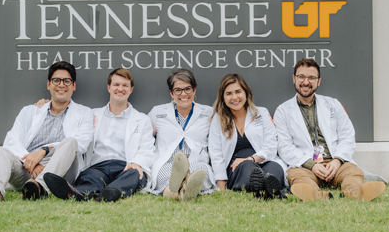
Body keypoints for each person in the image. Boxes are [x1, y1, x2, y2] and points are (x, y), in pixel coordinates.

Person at [0, 61, 94, 202]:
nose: (61, 85)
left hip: (62, 173)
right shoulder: (29, 111)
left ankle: (41, 187)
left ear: (74, 86)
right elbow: (11, 140)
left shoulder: (84, 113)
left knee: (71, 142)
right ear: (48, 84)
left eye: (67, 81)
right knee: (3, 152)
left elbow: (82, 143)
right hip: (28, 169)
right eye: (56, 80)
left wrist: (43, 151)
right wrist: (31, 161)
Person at [274, 58, 386, 202]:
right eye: (301, 77)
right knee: (298, 178)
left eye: (311, 78)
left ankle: (355, 192)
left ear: (318, 81)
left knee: (353, 172)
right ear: (294, 79)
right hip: (305, 166)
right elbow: (284, 146)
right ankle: (314, 195)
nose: (306, 82)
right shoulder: (283, 111)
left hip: (335, 164)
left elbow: (347, 135)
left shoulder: (333, 104)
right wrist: (311, 165)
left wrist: (338, 160)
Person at [42, 68, 156, 202]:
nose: (120, 89)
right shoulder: (91, 115)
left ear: (131, 89)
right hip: (97, 167)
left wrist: (137, 163)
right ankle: (79, 193)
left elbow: (148, 148)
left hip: (125, 167)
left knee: (134, 175)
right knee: (89, 178)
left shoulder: (142, 120)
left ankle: (111, 192)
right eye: (116, 85)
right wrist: (44, 105)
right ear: (109, 87)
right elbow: (73, 135)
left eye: (125, 85)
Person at [209, 74, 287, 199]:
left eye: (238, 91)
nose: (234, 97)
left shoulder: (262, 113)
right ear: (223, 98)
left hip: (264, 161)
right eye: (228, 93)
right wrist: (222, 187)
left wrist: (251, 158)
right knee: (248, 167)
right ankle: (268, 189)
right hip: (238, 168)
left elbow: (271, 145)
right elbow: (216, 153)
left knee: (274, 168)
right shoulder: (218, 119)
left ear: (246, 93)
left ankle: (265, 187)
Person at [148, 69, 215, 201]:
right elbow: (143, 135)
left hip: (197, 162)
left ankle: (181, 191)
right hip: (166, 164)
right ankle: (183, 191)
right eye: (178, 90)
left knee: (200, 171)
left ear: (194, 90)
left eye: (187, 89)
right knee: (167, 176)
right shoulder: (157, 112)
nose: (183, 94)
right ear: (171, 93)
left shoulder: (209, 112)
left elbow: (223, 135)